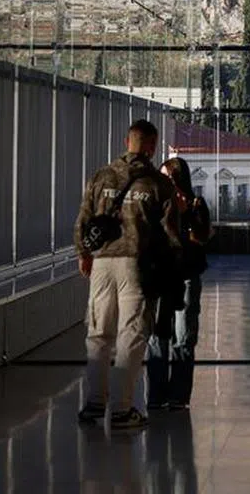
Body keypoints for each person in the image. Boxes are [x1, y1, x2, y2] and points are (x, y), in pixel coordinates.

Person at [74, 120, 181, 430]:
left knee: (98, 333)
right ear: (151, 145)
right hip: (137, 264)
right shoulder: (158, 185)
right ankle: (122, 409)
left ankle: (94, 404)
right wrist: (174, 264)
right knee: (131, 334)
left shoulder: (101, 176)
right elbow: (170, 232)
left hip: (102, 263)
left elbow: (83, 218)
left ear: (127, 141)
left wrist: (83, 253)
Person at [146, 157, 211, 411]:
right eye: (163, 178)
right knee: (157, 336)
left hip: (186, 275)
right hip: (161, 275)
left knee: (183, 337)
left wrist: (185, 215)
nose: (167, 183)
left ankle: (179, 395)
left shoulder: (196, 205)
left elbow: (201, 238)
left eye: (171, 178)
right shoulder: (156, 205)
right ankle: (156, 394)